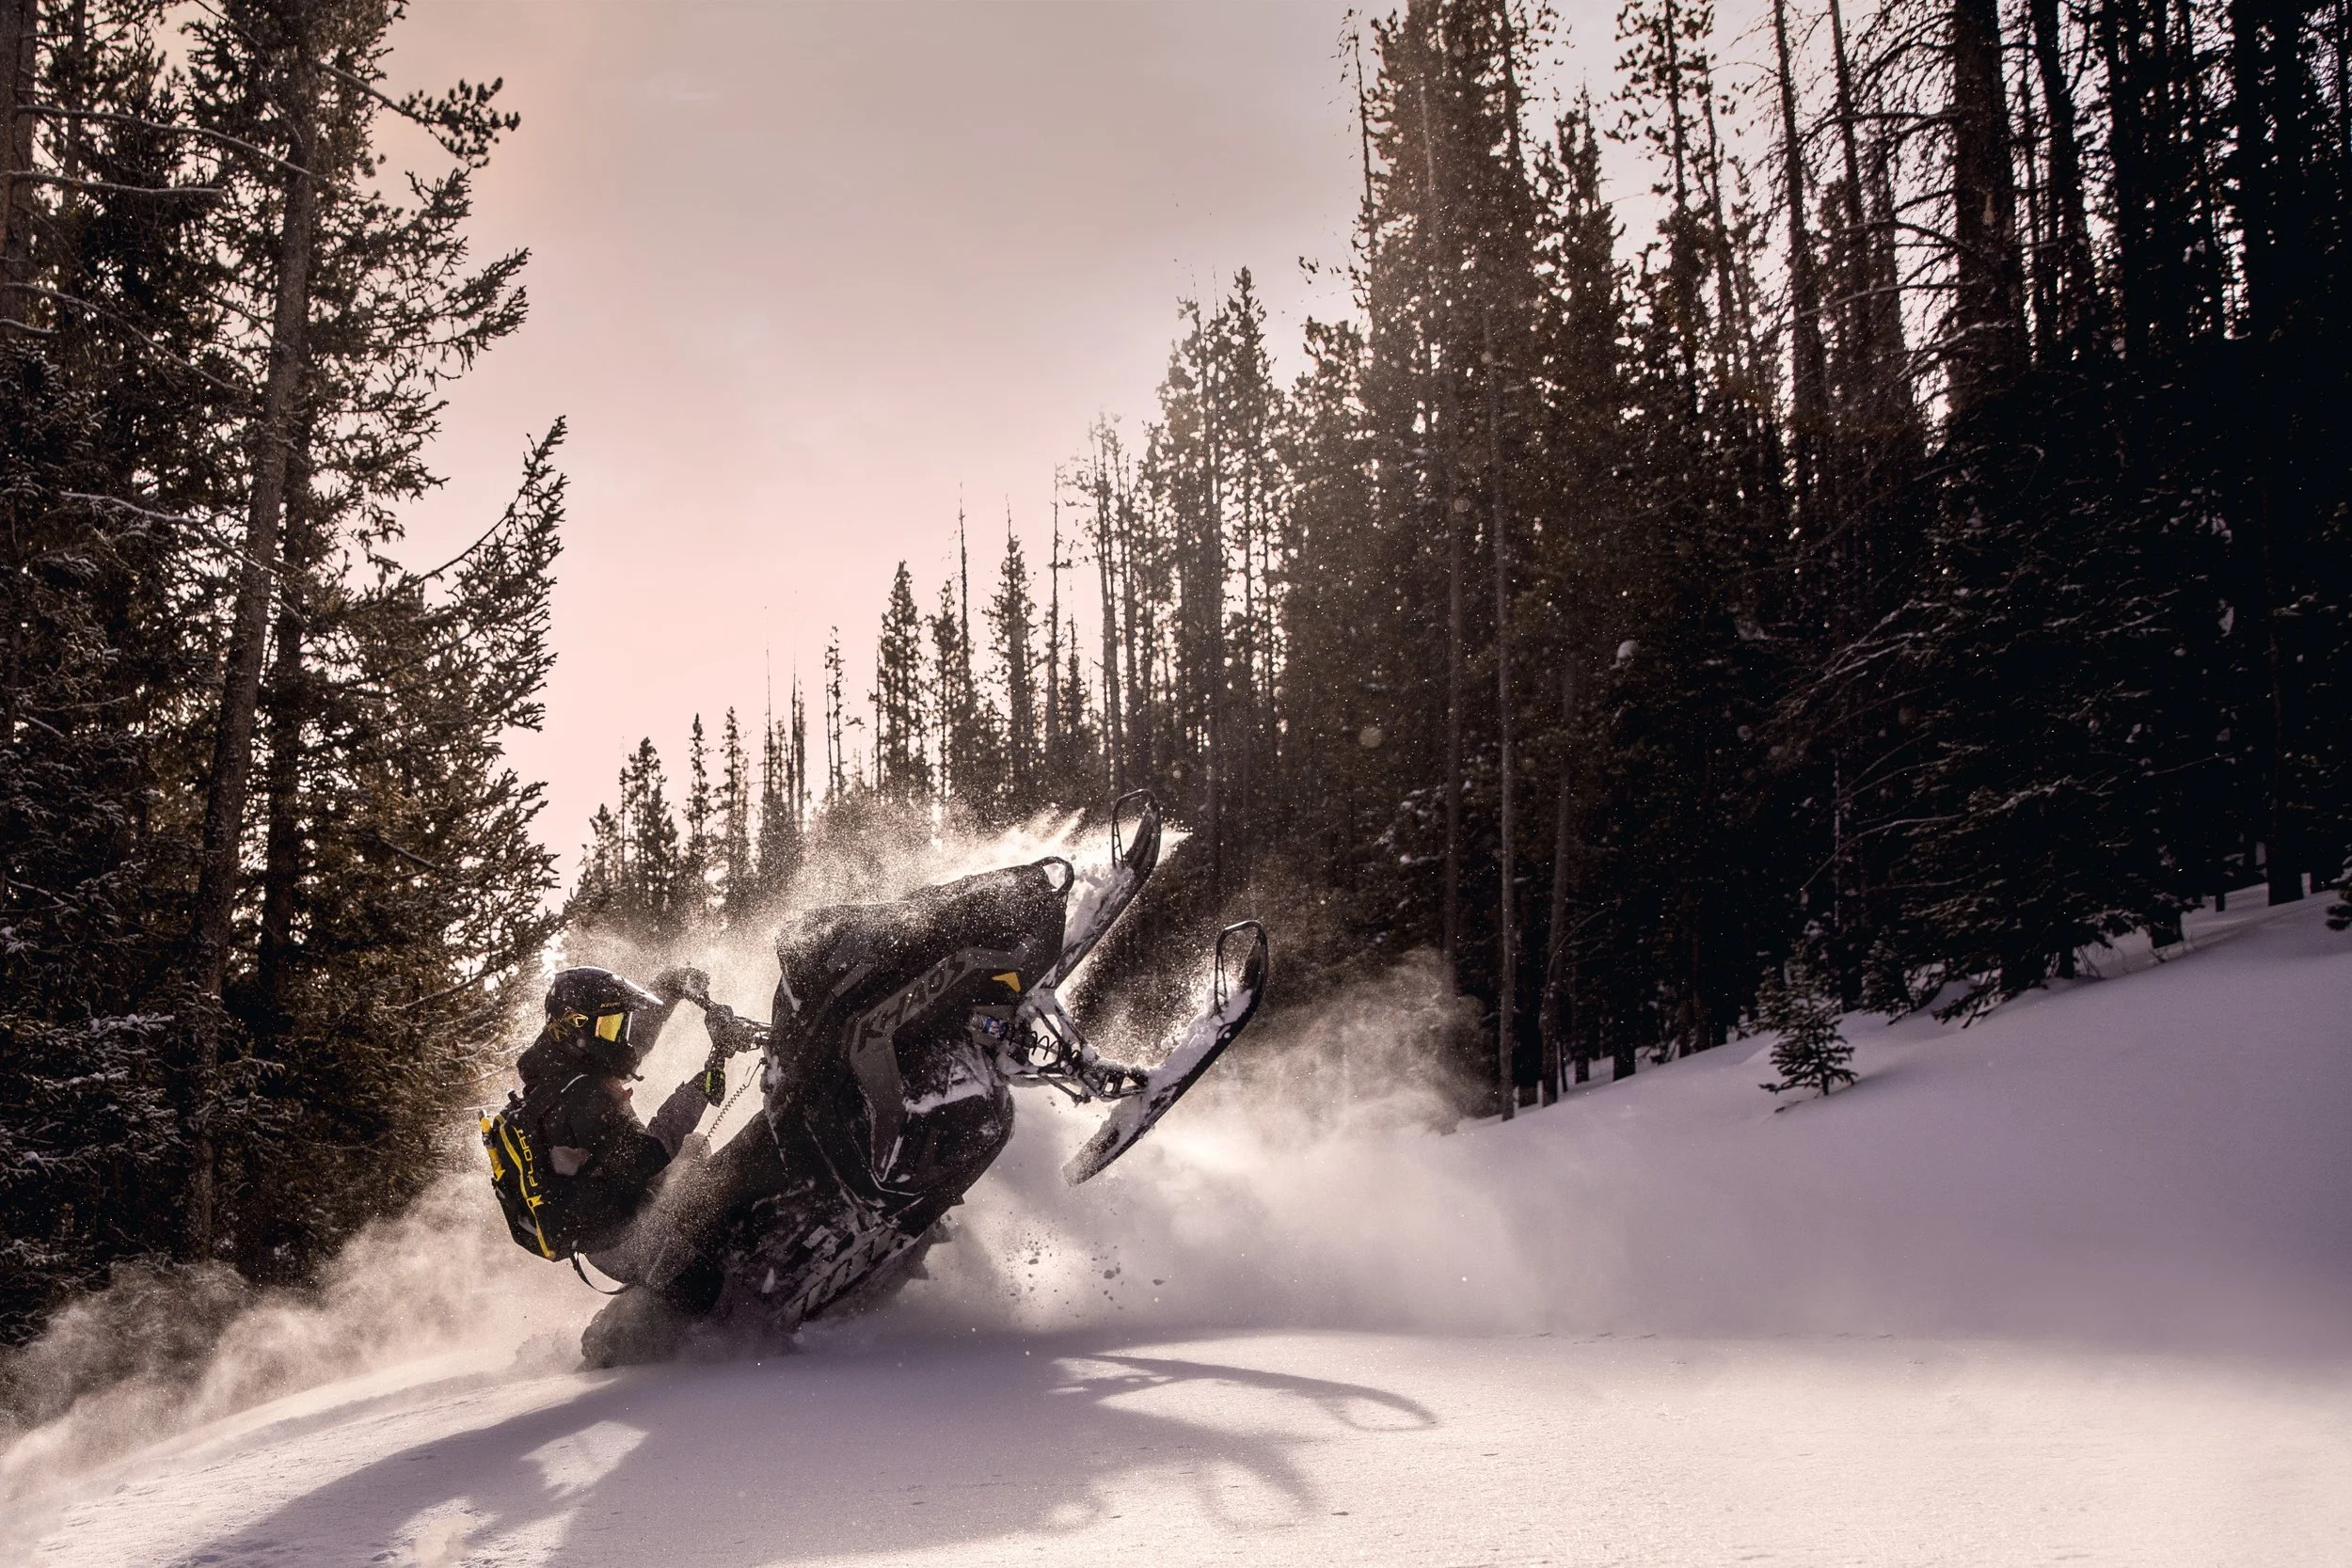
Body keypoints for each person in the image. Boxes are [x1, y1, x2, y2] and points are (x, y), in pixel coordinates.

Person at [516, 964, 728, 1254]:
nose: (619, 1038)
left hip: (615, 1219)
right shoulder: (579, 1097)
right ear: (577, 1026)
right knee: (714, 1274)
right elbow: (649, 1155)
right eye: (610, 1027)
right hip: (624, 1242)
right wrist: (702, 1085)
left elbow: (635, 1040)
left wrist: (670, 986)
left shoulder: (564, 1065)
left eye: (619, 1024)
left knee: (694, 1148)